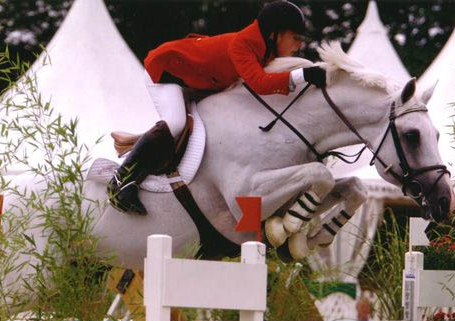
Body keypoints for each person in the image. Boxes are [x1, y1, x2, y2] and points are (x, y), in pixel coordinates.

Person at [108, 0, 327, 215]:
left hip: (200, 81)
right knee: (176, 123)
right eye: (295, 38)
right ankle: (121, 182)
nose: (299, 45)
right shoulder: (243, 45)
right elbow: (259, 83)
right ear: (274, 33)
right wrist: (303, 74)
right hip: (168, 72)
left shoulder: (266, 52)